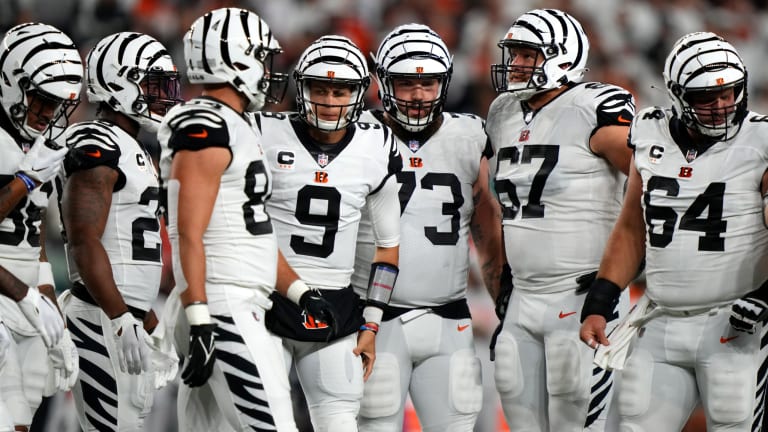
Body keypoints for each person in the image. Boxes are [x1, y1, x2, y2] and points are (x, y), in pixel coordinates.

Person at [580, 31, 768, 431]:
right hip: (660, 319)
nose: (721, 106)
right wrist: (601, 299)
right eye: (706, 97)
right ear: (678, 94)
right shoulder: (649, 131)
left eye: (730, 93)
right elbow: (632, 226)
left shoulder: (761, 138)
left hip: (734, 323)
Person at [156, 7, 324, 431]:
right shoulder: (205, 122)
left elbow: (253, 230)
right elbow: (188, 232)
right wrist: (199, 317)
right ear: (236, 61)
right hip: (221, 304)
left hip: (231, 298)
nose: (269, 72)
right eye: (262, 59)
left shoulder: (234, 124)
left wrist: (301, 291)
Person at [485, 8, 636, 431]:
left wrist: (621, 276)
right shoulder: (503, 112)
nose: (515, 64)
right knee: (518, 413)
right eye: (514, 54)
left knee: (576, 416)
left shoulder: (595, 105)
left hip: (581, 294)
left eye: (527, 55)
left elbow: (652, 183)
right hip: (522, 298)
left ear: (563, 58)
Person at [353, 23, 502, 431]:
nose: (418, 95)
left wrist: (503, 303)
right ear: (383, 82)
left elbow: (487, 232)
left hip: (448, 315)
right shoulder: (358, 134)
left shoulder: (471, 135)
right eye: (405, 83)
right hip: (372, 319)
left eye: (429, 82)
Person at [254, 35, 402, 432]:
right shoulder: (262, 133)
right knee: (266, 421)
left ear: (358, 94)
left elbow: (387, 249)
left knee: (340, 420)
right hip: (264, 301)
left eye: (340, 91)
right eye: (320, 89)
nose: (330, 101)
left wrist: (371, 325)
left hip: (336, 305)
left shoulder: (378, 145)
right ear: (301, 88)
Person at [57, 31, 182, 431]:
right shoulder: (99, 141)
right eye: (152, 85)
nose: (162, 95)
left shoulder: (131, 146)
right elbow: (83, 238)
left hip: (119, 314)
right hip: (100, 313)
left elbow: (125, 242)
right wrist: (118, 316)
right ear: (118, 81)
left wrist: (144, 319)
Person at [0, 22, 82, 431]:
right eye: (41, 99)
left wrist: (47, 298)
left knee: (20, 422)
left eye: (58, 104)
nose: (49, 113)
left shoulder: (37, 143)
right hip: (7, 295)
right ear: (14, 81)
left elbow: (32, 235)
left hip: (22, 297)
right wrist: (24, 181)